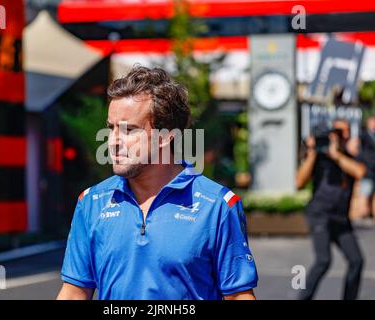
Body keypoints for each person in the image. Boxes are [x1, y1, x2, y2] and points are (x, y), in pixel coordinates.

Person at [57, 66, 258, 300]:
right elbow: (74, 293)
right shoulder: (91, 202)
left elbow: (238, 296)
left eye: (128, 130)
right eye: (111, 128)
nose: (113, 141)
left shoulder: (218, 206)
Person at [296, 119, 366, 300]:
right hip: (320, 215)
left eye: (344, 132)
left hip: (341, 219)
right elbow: (299, 182)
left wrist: (338, 156)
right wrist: (312, 154)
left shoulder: (349, 156)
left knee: (356, 261)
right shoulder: (318, 159)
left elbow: (359, 172)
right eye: (337, 131)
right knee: (323, 260)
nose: (341, 135)